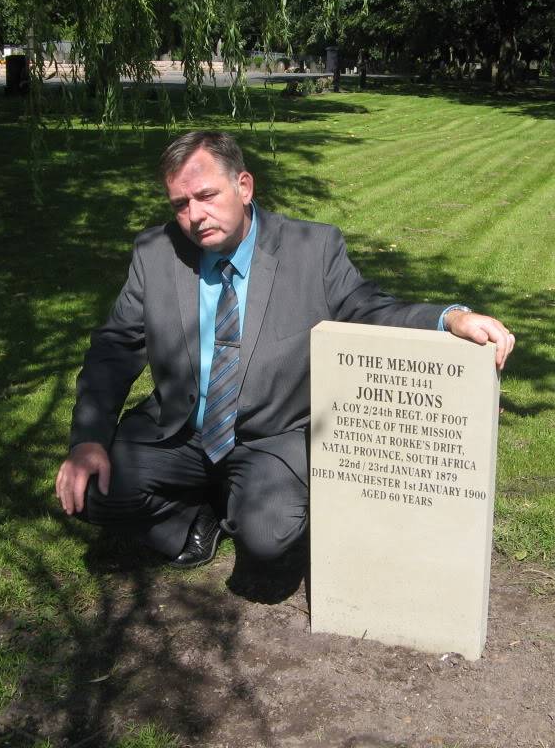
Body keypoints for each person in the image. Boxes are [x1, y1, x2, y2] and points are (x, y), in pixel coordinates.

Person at [55, 131, 515, 568]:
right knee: (88, 491)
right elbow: (114, 347)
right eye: (181, 204)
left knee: (268, 537)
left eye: (207, 196)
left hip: (272, 435)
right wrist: (89, 440)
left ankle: (238, 499)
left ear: (244, 186)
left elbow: (367, 308)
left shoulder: (313, 249)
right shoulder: (156, 252)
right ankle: (195, 520)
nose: (195, 215)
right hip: (181, 429)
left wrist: (451, 318)